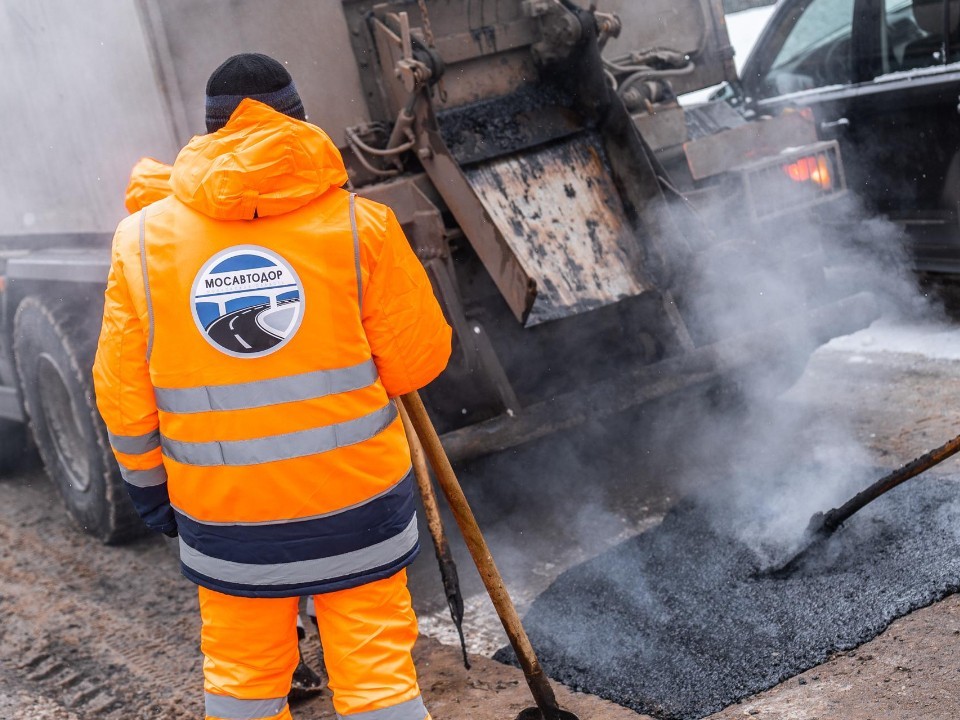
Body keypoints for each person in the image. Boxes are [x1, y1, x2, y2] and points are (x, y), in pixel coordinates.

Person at [94, 53, 452, 720]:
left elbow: (123, 399)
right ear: (301, 122)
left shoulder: (139, 245)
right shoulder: (361, 226)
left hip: (227, 522)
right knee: (378, 677)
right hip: (359, 509)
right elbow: (418, 364)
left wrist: (151, 496)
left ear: (210, 131)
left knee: (243, 681)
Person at [123, 156, 326, 701]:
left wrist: (150, 488)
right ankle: (320, 642)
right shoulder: (234, 243)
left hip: (214, 475)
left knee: (249, 581)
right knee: (308, 549)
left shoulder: (146, 268)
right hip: (301, 453)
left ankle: (285, 663)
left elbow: (127, 394)